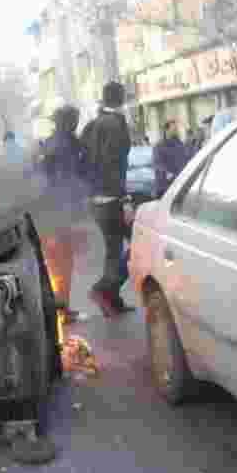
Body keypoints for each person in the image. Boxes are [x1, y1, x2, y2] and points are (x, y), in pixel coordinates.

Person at [81, 81, 135, 318]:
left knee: (114, 249)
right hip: (111, 198)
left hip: (95, 199)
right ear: (121, 99)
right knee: (141, 242)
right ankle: (104, 289)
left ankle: (111, 299)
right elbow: (112, 163)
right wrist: (124, 199)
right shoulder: (113, 124)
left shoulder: (93, 124)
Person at [40, 104, 92, 324]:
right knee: (63, 264)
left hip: (47, 213)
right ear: (70, 122)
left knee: (54, 264)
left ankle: (58, 310)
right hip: (61, 213)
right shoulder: (69, 144)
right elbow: (72, 178)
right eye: (75, 120)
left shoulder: (49, 143)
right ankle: (62, 311)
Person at [152, 120, 191, 199]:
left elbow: (185, 160)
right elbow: (157, 163)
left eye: (176, 129)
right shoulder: (159, 146)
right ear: (166, 130)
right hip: (164, 186)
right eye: (173, 129)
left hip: (179, 184)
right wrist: (168, 173)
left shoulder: (180, 144)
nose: (175, 131)